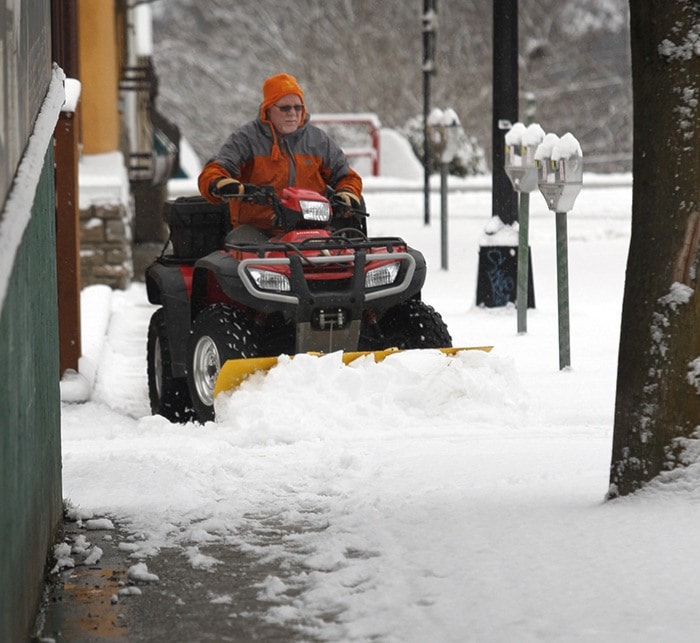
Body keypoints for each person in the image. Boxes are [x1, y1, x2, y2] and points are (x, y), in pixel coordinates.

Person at [198, 73, 363, 235]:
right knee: (245, 248)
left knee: (338, 257)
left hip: (312, 229)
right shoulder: (246, 139)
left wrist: (347, 193)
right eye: (285, 108)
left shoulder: (318, 141)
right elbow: (215, 170)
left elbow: (347, 177)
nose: (292, 113)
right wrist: (221, 184)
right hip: (258, 230)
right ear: (268, 110)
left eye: (298, 107)